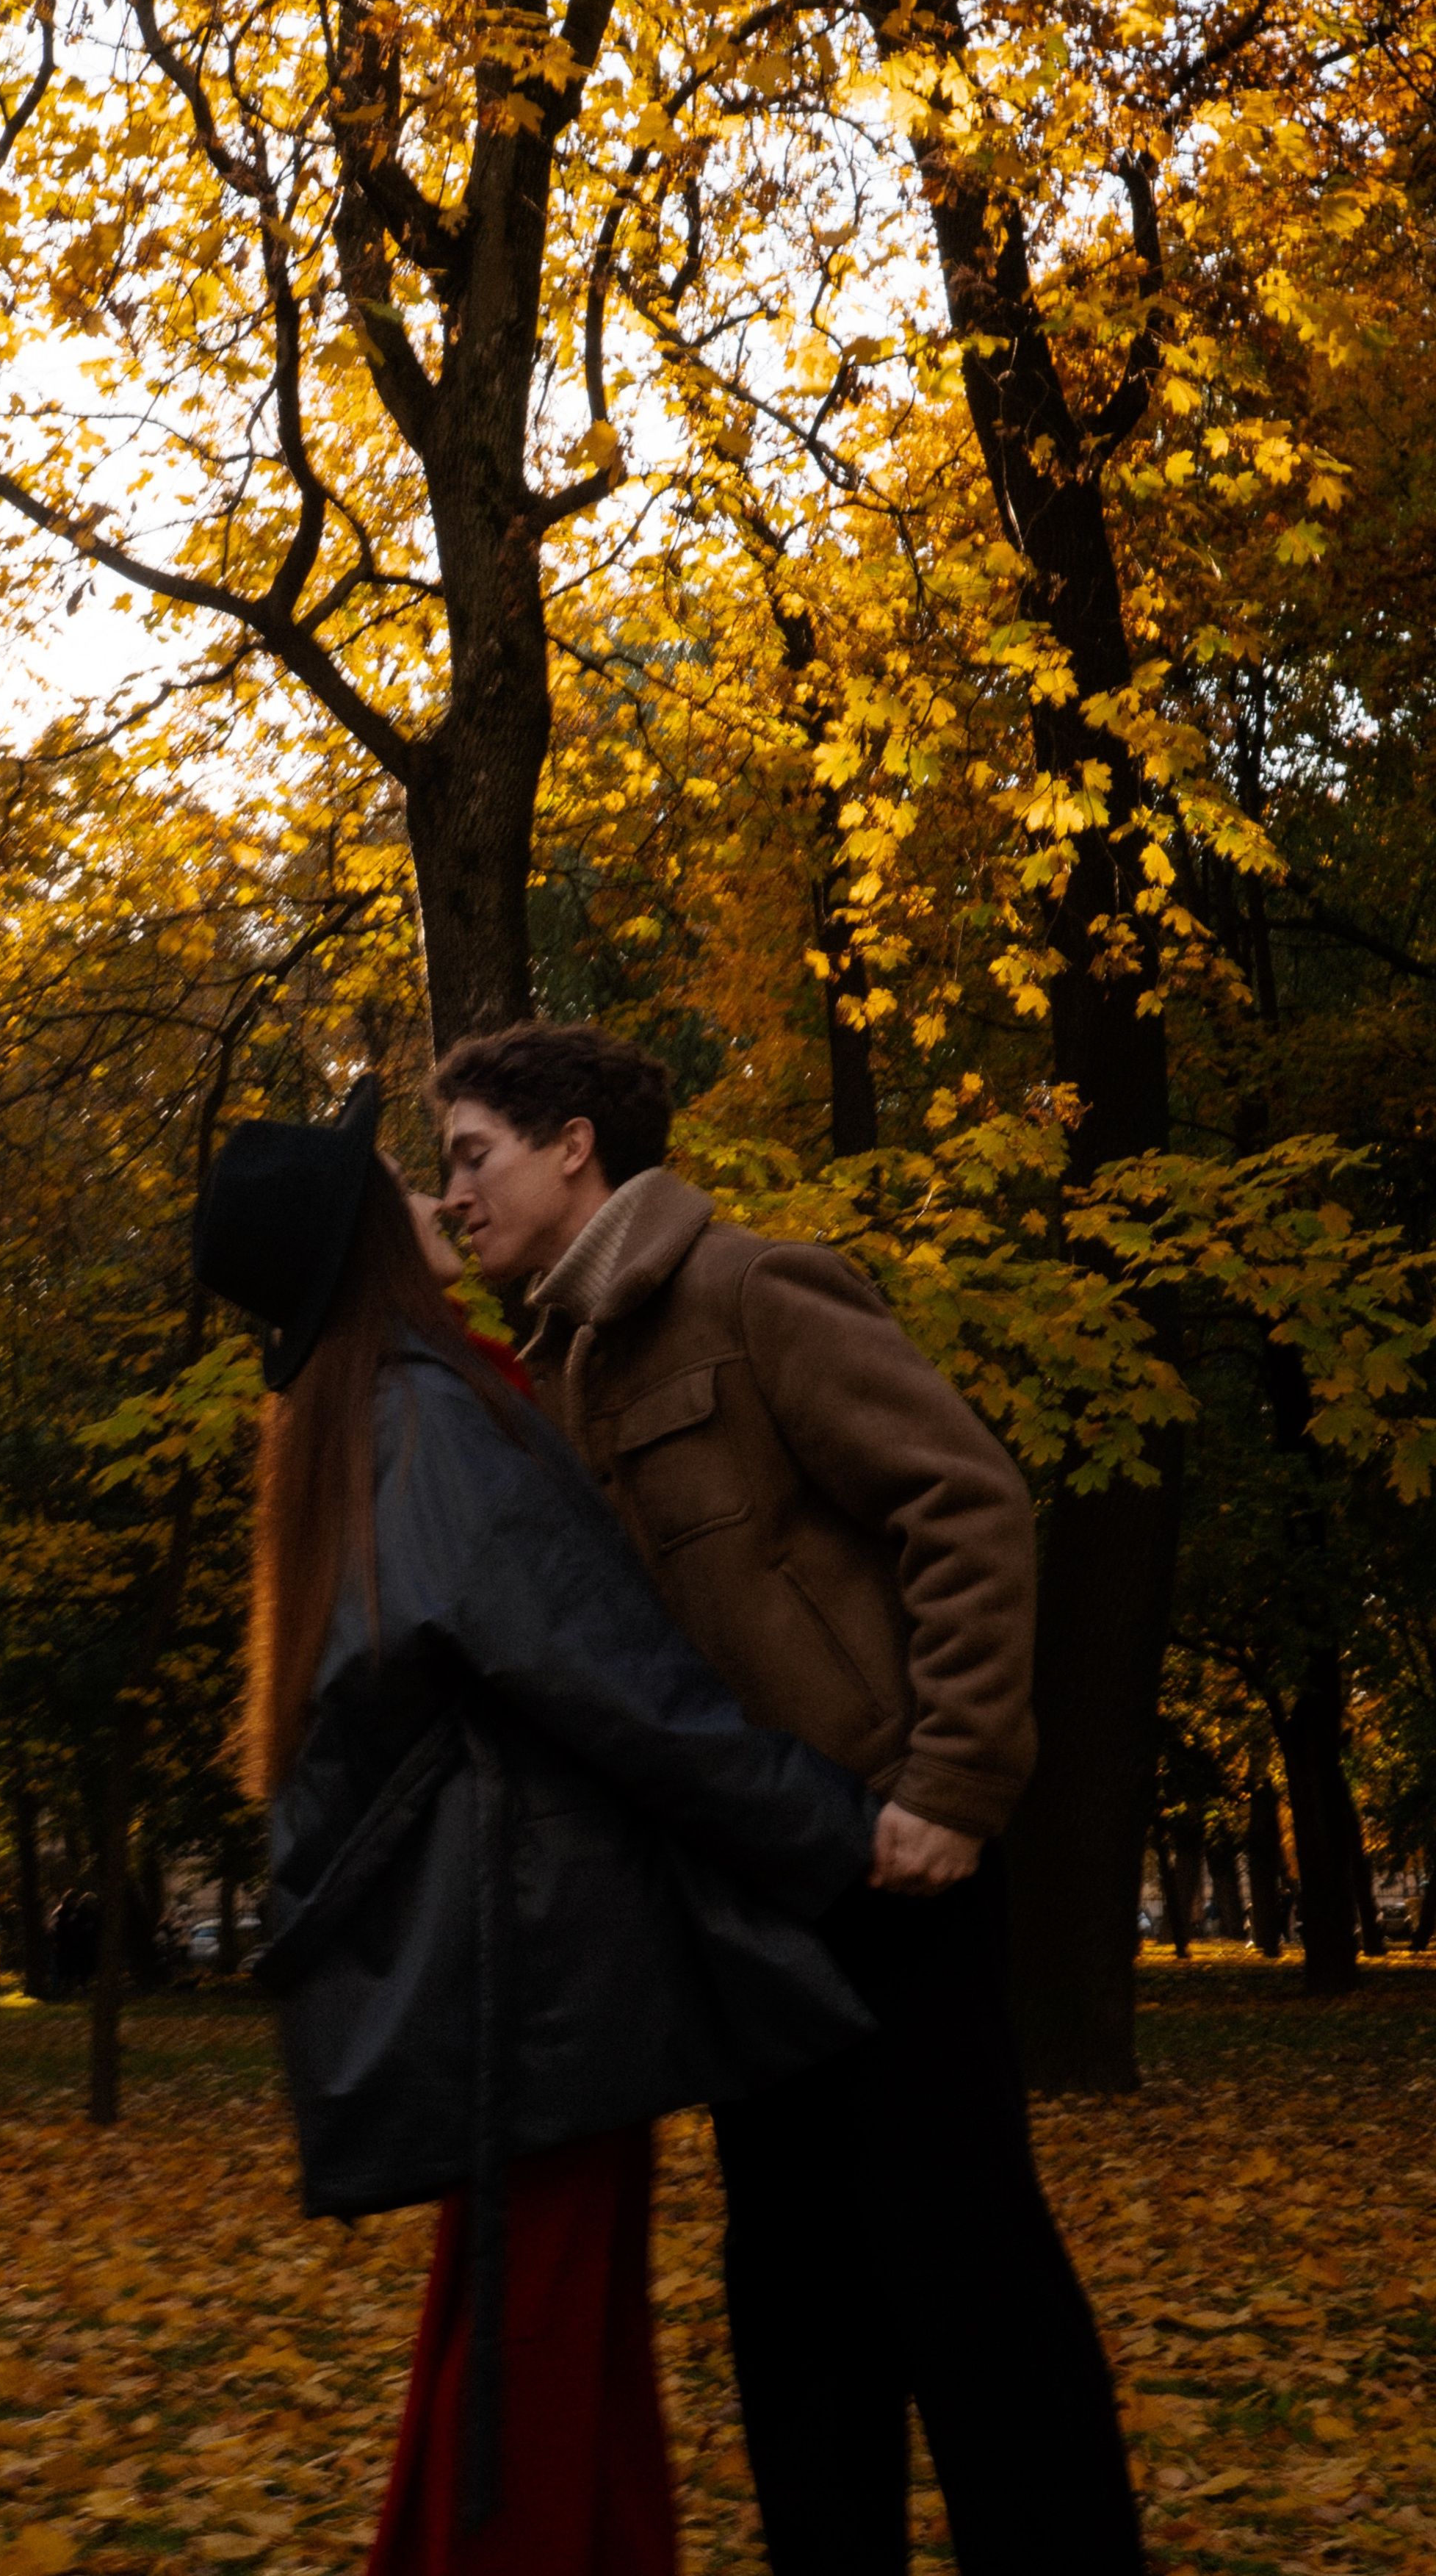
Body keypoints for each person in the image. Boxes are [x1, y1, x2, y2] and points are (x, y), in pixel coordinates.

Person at [435, 1021, 1144, 2576]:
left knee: (961, 2281)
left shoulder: (752, 1292)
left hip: (897, 1874)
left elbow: (964, 1505)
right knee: (796, 2302)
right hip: (735, 1903)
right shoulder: (556, 1368)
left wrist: (951, 1782)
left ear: (575, 1147)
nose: (455, 1196)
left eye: (472, 1154)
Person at [192, 1073, 878, 2576]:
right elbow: (603, 1675)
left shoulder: (375, 1412)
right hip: (542, 1983)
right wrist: (825, 1827)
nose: (437, 1197)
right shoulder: (426, 1416)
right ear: (363, 1237)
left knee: (527, 2345)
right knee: (543, 2356)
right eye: (405, 1180)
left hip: (522, 1983)